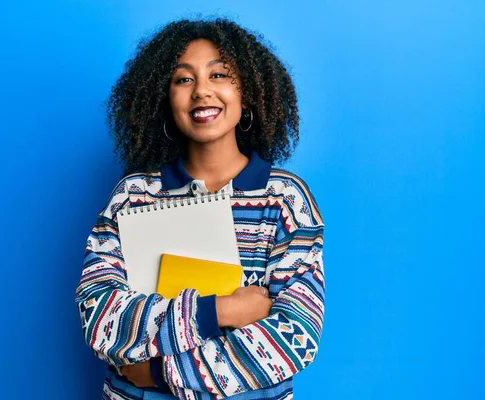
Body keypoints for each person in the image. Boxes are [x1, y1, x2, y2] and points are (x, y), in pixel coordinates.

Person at [75, 18, 325, 400]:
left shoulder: (286, 199)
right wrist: (218, 311)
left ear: (250, 91)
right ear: (164, 97)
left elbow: (294, 335)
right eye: (183, 79)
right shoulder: (132, 196)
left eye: (220, 74)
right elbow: (102, 322)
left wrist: (158, 372)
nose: (202, 92)